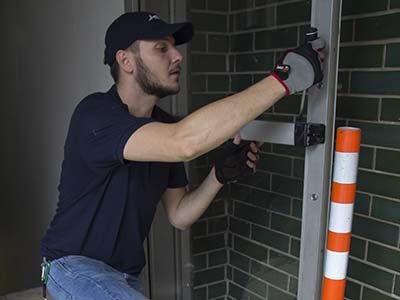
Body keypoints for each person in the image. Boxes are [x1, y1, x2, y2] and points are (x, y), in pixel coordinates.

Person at [40, 11, 323, 300]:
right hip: (72, 267)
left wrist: (219, 175)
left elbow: (179, 215)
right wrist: (284, 79)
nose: (177, 56)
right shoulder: (95, 114)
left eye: (174, 47)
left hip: (125, 278)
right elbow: (184, 143)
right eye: (162, 48)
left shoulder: (163, 128)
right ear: (125, 61)